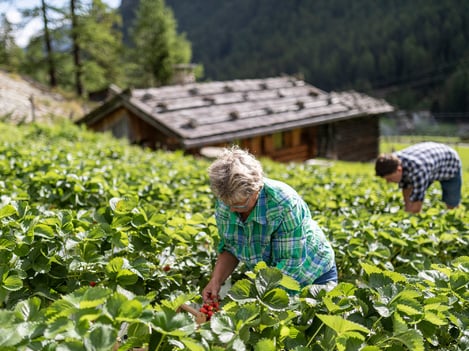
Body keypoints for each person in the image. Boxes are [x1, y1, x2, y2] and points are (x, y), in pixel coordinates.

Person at [202, 146, 337, 303]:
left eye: (239, 205)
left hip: (313, 274)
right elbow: (230, 247)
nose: (232, 209)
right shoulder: (227, 201)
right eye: (227, 203)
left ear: (257, 189)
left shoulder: (283, 204)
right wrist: (216, 281)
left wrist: (255, 300)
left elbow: (290, 264)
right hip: (268, 283)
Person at [375, 142, 462, 213]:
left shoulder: (419, 170)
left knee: (452, 203)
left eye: (390, 178)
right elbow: (406, 187)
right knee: (410, 197)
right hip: (430, 161)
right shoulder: (392, 161)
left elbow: (416, 205)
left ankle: (457, 223)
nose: (389, 182)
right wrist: (407, 210)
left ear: (399, 169)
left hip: (450, 163)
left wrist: (409, 218)